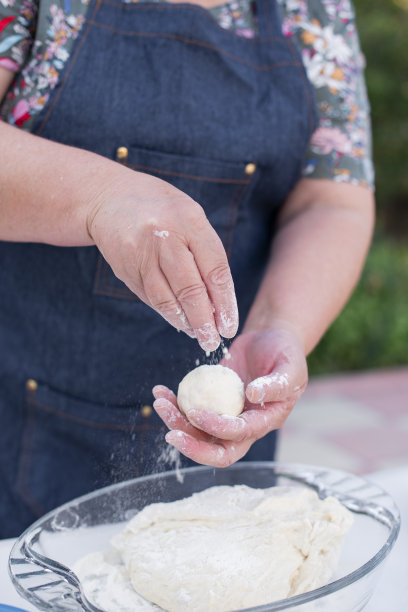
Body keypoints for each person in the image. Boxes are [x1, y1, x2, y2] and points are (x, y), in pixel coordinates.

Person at [0, 0, 374, 537]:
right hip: (23, 422)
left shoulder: (313, 10)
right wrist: (100, 197)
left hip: (229, 437)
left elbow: (331, 201)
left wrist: (279, 326)